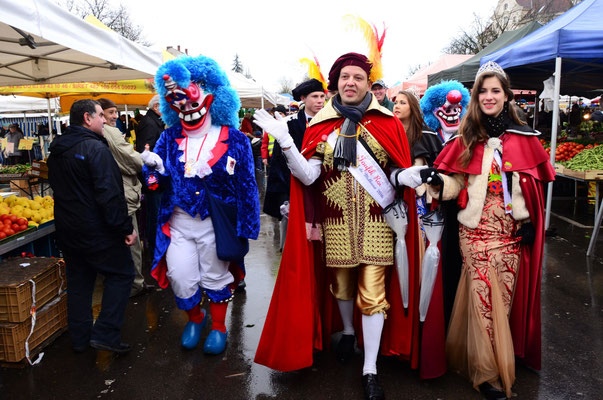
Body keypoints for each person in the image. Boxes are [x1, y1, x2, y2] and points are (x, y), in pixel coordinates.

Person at [254, 53, 426, 400]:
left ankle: (371, 368)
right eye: (345, 77)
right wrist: (285, 142)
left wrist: (403, 175)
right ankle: (348, 331)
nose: (351, 82)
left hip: (380, 221)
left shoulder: (388, 123)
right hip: (336, 223)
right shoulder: (321, 125)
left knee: (374, 293)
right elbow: (308, 176)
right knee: (342, 285)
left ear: (368, 83)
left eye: (358, 77)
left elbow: (393, 169)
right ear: (336, 84)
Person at [422, 61, 555, 399]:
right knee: (484, 299)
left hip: (510, 232)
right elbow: (454, 184)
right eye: (483, 90)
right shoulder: (466, 137)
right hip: (475, 232)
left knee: (503, 302)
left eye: (496, 90)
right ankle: (488, 375)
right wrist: (438, 182)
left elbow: (531, 186)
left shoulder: (524, 136)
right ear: (475, 96)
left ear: (507, 95)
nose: (489, 96)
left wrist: (529, 222)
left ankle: (486, 358)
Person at [141, 55, 260, 355]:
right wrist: (153, 169)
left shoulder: (235, 139)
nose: (188, 108)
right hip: (178, 222)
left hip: (216, 224)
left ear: (215, 96)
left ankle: (219, 327)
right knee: (180, 277)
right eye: (179, 101)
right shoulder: (168, 137)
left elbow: (247, 184)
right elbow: (155, 180)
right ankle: (196, 318)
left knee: (215, 275)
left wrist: (247, 226)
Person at [48, 99, 137, 354]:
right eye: (100, 115)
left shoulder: (56, 151)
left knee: (79, 283)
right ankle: (106, 334)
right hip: (96, 231)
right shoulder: (96, 149)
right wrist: (125, 228)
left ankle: (80, 338)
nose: (105, 120)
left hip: (68, 230)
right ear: (87, 118)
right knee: (122, 274)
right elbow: (109, 195)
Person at [98, 98, 151, 298]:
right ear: (99, 114)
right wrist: (148, 164)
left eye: (115, 112)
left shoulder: (103, 131)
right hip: (124, 192)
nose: (114, 116)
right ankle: (134, 285)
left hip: (116, 192)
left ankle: (129, 283)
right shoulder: (110, 131)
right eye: (110, 112)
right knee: (131, 241)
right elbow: (131, 159)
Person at [262, 79, 325, 220]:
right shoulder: (289, 123)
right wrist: (284, 198)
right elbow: (279, 163)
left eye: (322, 96)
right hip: (293, 192)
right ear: (303, 98)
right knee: (290, 239)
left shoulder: (330, 122)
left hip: (323, 193)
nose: (320, 101)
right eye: (315, 96)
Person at [135, 95, 165, 257]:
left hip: (155, 177)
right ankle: (154, 251)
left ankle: (155, 248)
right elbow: (145, 152)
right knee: (155, 214)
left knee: (156, 212)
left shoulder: (154, 122)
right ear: (156, 107)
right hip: (153, 178)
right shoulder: (149, 123)